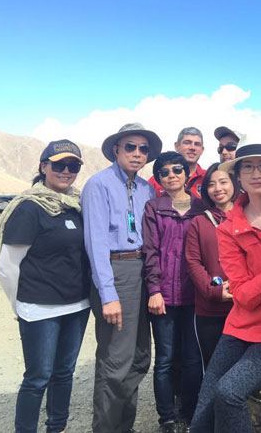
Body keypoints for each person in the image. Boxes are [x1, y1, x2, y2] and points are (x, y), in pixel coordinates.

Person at [190, 144, 261, 433]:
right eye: (248, 167)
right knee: (205, 403)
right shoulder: (228, 229)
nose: (256, 173)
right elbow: (241, 295)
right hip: (240, 325)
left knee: (229, 393)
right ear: (238, 176)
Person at [0, 139, 90, 433]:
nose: (66, 171)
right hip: (39, 308)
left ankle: (56, 428)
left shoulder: (75, 205)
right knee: (38, 376)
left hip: (78, 305)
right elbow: (8, 265)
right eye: (59, 164)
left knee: (64, 373)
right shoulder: (29, 208)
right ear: (43, 167)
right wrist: (18, 305)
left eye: (73, 165)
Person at [81, 122, 162, 433]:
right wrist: (108, 293)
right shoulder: (98, 185)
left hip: (143, 270)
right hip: (116, 272)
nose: (138, 153)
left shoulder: (146, 188)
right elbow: (96, 242)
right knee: (116, 360)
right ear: (116, 149)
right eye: (130, 146)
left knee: (140, 356)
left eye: (143, 149)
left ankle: (123, 426)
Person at [141, 151, 203, 432]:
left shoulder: (201, 208)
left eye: (177, 169)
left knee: (192, 358)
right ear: (159, 179)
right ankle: (166, 418)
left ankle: (189, 412)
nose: (172, 175)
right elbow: (150, 251)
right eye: (164, 172)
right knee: (164, 359)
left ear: (186, 173)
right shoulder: (153, 207)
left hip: (194, 295)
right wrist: (153, 288)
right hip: (163, 295)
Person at [185, 163, 237, 368]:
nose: (218, 189)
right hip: (210, 309)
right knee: (212, 367)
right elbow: (193, 262)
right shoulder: (199, 222)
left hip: (244, 308)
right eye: (211, 184)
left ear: (234, 184)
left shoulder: (248, 218)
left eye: (223, 182)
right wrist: (213, 291)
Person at [149, 127, 205, 198]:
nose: (192, 148)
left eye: (197, 144)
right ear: (176, 146)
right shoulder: (156, 180)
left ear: (202, 150)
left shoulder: (208, 178)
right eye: (187, 143)